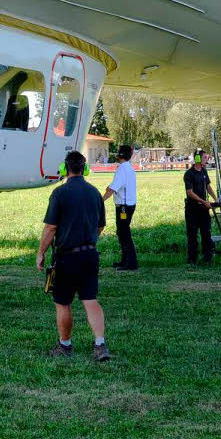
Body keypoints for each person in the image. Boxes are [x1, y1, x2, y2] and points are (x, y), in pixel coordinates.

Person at [36, 150, 110, 362]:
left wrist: (41, 253)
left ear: (64, 169)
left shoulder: (60, 193)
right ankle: (100, 344)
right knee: (90, 299)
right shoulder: (95, 193)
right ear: (85, 169)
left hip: (66, 257)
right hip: (89, 255)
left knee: (63, 302)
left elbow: (50, 227)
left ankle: (65, 345)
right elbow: (100, 226)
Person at [102, 143, 138, 271]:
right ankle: (125, 261)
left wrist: (100, 201)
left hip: (123, 207)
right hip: (128, 205)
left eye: (118, 152)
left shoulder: (122, 168)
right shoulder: (128, 167)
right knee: (123, 232)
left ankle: (130, 263)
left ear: (121, 154)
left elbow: (112, 189)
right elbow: (115, 186)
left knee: (124, 233)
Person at [184, 148, 218, 265]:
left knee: (206, 233)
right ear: (197, 158)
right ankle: (192, 259)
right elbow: (190, 192)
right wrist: (204, 202)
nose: (206, 160)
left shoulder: (204, 171)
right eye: (204, 157)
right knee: (192, 235)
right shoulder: (188, 174)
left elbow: (208, 186)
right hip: (192, 209)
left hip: (204, 208)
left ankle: (207, 258)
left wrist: (215, 199)